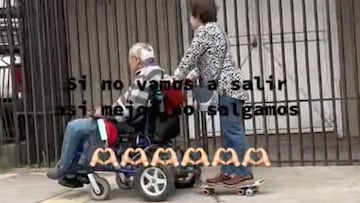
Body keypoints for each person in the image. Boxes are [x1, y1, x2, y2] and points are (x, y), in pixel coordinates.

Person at [46, 42, 167, 180]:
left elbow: (131, 110)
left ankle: (64, 168)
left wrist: (105, 113)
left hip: (119, 123)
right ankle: (75, 168)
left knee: (74, 127)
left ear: (136, 60)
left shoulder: (143, 78)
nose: (129, 63)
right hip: (128, 120)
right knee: (84, 125)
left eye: (130, 59)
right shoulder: (158, 73)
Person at [173, 0, 253, 185]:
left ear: (200, 16)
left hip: (227, 88)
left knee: (233, 131)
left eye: (191, 16)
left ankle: (243, 171)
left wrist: (176, 76)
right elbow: (210, 62)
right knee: (228, 132)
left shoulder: (205, 31)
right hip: (231, 87)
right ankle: (227, 171)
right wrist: (193, 76)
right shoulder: (218, 31)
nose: (189, 20)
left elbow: (190, 57)